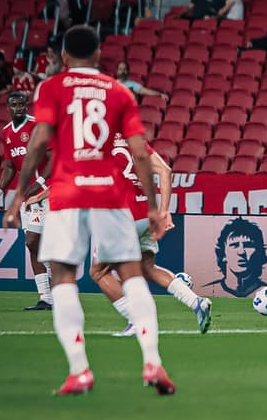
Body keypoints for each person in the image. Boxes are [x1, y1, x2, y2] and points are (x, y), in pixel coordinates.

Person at [1, 25, 176, 395]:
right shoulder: (119, 92)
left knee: (63, 277)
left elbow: (36, 145)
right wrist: (156, 207)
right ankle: (152, 362)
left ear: (64, 58)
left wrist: (19, 193)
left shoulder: (50, 88)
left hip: (67, 194)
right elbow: (141, 154)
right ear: (99, 56)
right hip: (111, 198)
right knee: (133, 273)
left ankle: (79, 370)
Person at [90, 133, 212, 335]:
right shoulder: (136, 142)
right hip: (146, 214)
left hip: (121, 216)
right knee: (147, 268)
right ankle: (196, 302)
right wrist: (164, 211)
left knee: (98, 272)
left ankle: (136, 320)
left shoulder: (97, 141)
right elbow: (165, 170)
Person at [0, 92, 53, 311]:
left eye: (22, 104)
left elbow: (55, 158)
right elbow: (9, 167)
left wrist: (40, 182)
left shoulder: (38, 127)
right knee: (32, 244)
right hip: (27, 197)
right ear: (8, 107)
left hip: (48, 192)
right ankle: (46, 298)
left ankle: (54, 292)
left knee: (35, 241)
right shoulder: (6, 132)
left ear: (27, 106)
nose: (19, 108)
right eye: (14, 105)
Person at [207, 217, 267, 297]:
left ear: (259, 252)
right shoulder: (205, 292)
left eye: (248, 245)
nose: (241, 252)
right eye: (234, 245)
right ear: (223, 254)